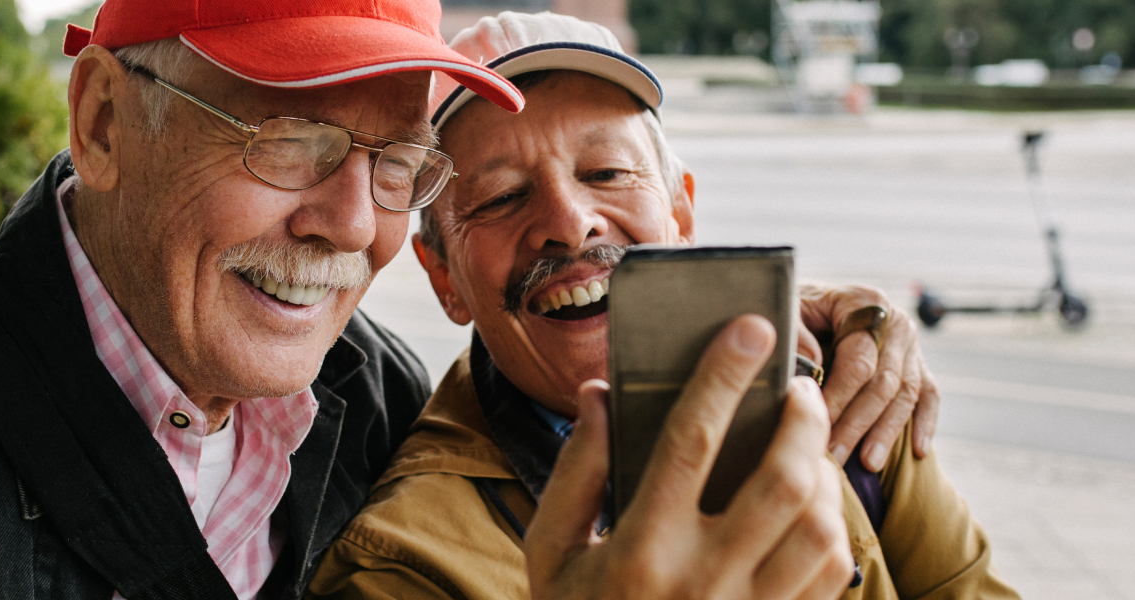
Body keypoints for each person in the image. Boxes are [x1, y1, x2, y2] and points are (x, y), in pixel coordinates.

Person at [0, 1, 925, 598]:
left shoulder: (386, 411)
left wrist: (816, 335)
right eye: (285, 134)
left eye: (398, 160)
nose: (350, 221)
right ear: (102, 118)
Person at [307, 12, 1020, 600]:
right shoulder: (403, 566)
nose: (570, 220)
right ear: (444, 278)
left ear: (682, 213)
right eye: (500, 197)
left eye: (607, 172)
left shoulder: (841, 389)